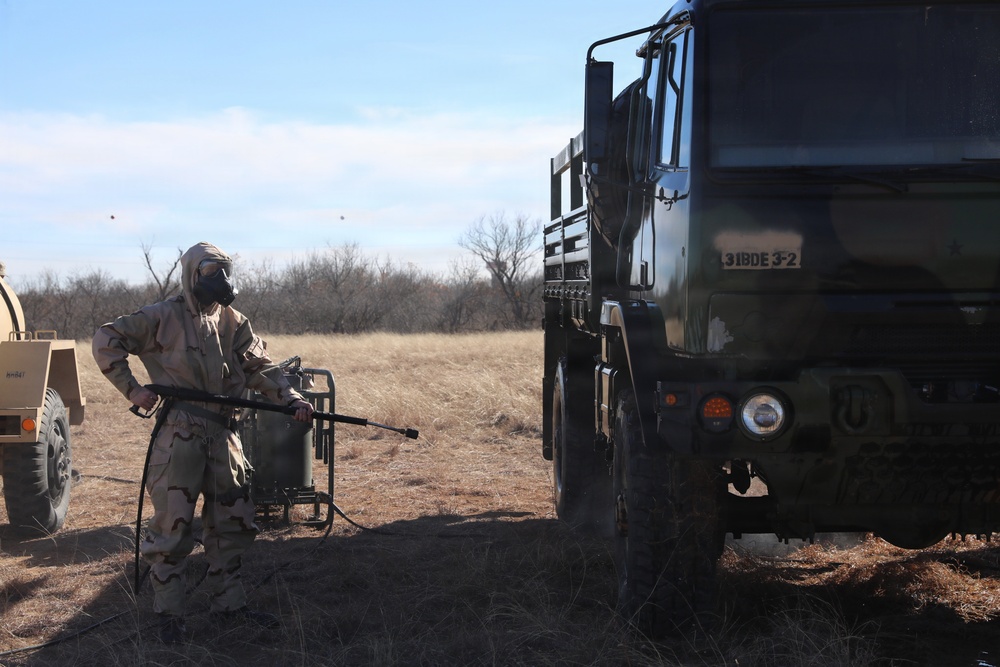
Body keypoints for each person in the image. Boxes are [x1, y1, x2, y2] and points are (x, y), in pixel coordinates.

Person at [92, 242, 313, 644]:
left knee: (232, 524)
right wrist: (133, 389)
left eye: (225, 270)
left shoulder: (234, 321)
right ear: (193, 273)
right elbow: (106, 338)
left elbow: (260, 367)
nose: (221, 279)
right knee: (172, 528)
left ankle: (229, 605)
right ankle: (169, 616)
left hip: (225, 435)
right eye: (211, 270)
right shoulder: (162, 316)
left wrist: (291, 397)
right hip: (179, 436)